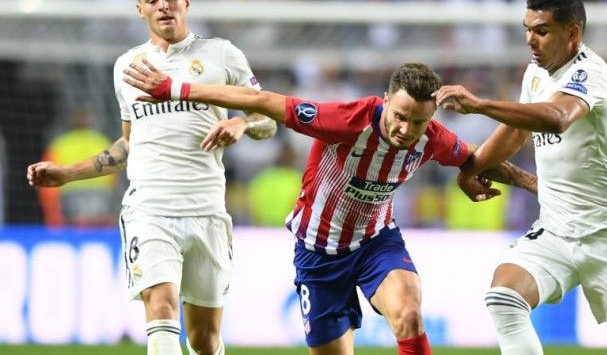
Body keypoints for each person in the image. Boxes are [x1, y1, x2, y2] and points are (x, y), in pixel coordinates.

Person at [123, 60, 537, 355]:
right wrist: (175, 89)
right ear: (387, 101)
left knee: (409, 315)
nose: (406, 130)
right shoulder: (346, 120)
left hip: (377, 244)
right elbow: (262, 99)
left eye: (418, 122)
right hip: (318, 254)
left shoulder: (433, 138)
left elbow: (475, 160)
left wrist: (531, 182)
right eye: (400, 116)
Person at [26, 0, 276, 354]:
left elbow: (268, 119)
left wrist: (241, 123)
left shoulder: (222, 54)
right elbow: (129, 144)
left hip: (207, 209)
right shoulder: (127, 68)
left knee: (204, 339)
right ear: (140, 9)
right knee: (160, 307)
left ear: (186, 1)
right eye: (153, 0)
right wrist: (68, 174)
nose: (163, 6)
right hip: (149, 209)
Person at [432, 0, 607, 355]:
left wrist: (479, 105)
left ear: (572, 32)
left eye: (541, 31)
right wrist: (472, 167)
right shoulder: (536, 72)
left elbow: (557, 118)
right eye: (527, 29)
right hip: (556, 230)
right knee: (504, 298)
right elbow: (517, 128)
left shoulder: (590, 73)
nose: (531, 40)